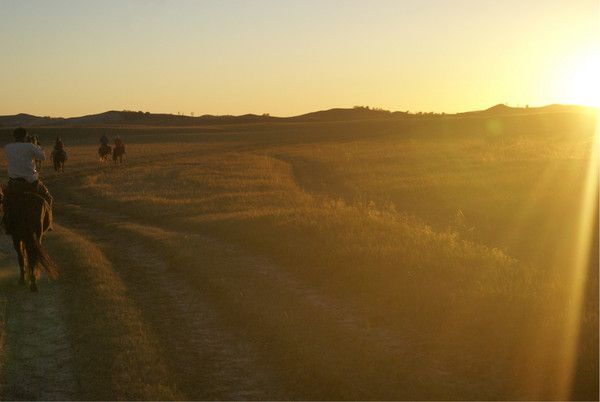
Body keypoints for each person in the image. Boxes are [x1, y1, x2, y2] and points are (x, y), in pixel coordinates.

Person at [2, 127, 53, 233]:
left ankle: (6, 223)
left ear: (14, 137)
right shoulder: (30, 146)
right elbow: (42, 157)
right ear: (25, 136)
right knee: (48, 198)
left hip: (14, 184)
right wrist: (36, 145)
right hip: (32, 183)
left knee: (5, 202)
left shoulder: (7, 147)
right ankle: (48, 223)